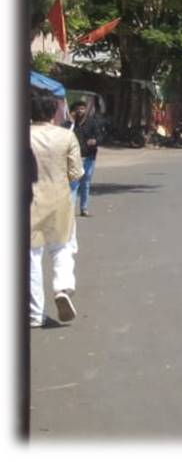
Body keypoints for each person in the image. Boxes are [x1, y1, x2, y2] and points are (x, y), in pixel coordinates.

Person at [30, 88, 84, 327]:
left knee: (31, 257)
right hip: (60, 201)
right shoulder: (66, 137)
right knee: (62, 249)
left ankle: (34, 314)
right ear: (54, 111)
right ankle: (62, 288)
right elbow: (76, 173)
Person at [68, 100, 102, 217]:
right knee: (74, 183)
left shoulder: (92, 123)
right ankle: (71, 209)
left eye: (82, 108)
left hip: (89, 157)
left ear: (86, 110)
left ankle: (84, 208)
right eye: (78, 108)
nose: (80, 111)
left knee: (85, 183)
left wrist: (95, 141)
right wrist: (71, 121)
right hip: (74, 158)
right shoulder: (71, 124)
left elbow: (100, 136)